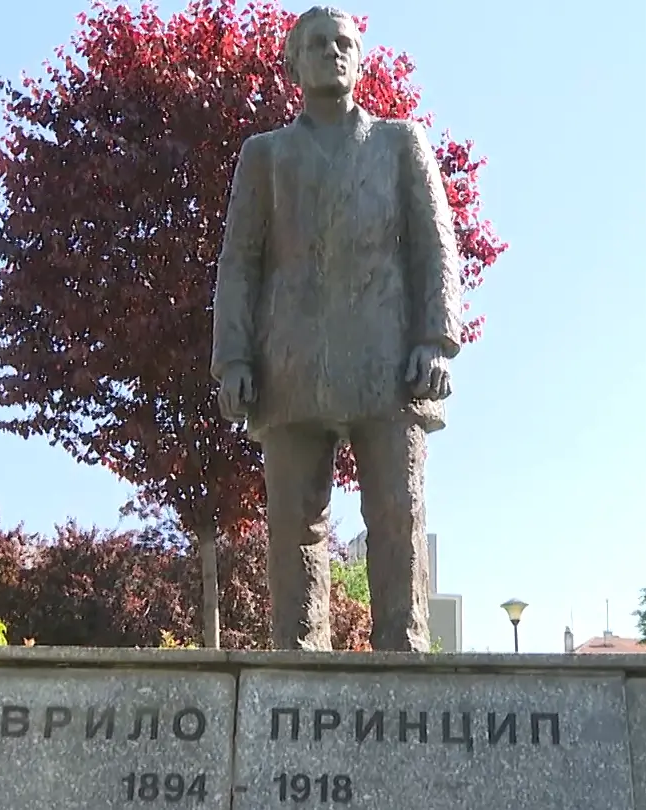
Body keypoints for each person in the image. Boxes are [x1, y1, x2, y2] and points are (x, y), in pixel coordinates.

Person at [211, 6, 462, 652]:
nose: (332, 51)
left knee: (398, 513)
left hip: (388, 357)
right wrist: (233, 358)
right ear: (293, 63)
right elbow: (239, 261)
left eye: (343, 42)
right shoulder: (265, 156)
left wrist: (435, 340)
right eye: (317, 43)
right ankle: (298, 659)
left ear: (360, 58)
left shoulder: (400, 144)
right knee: (294, 523)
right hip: (290, 360)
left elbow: (435, 245)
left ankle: (402, 648)